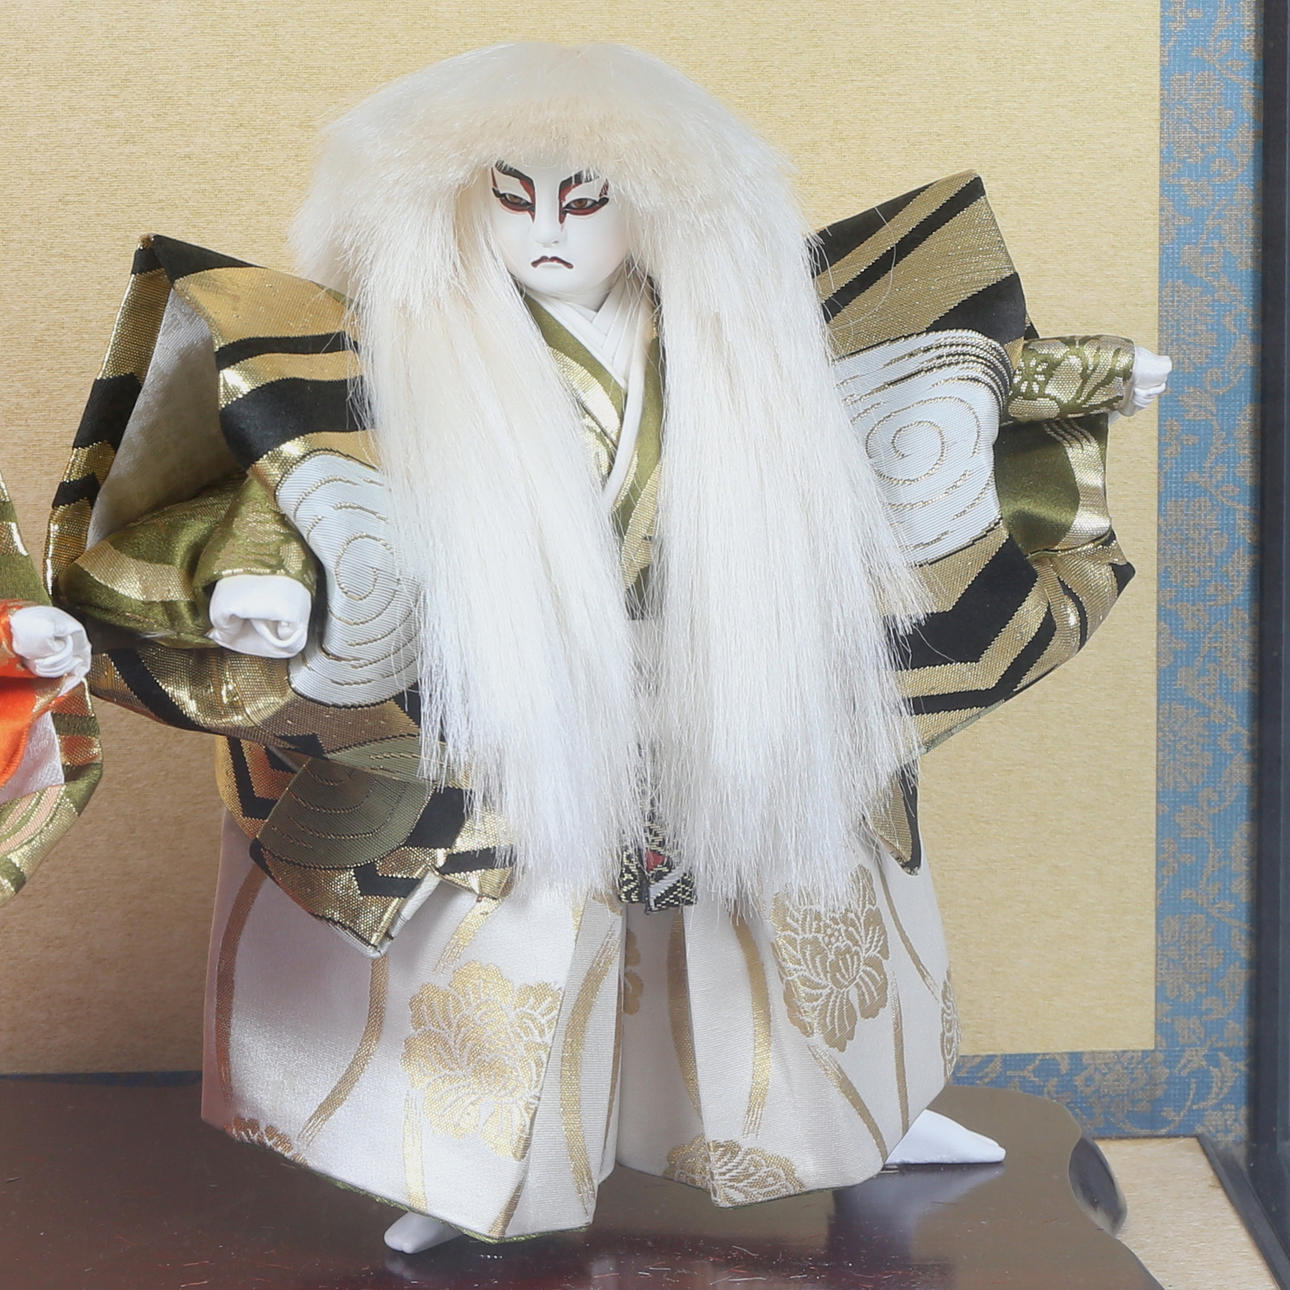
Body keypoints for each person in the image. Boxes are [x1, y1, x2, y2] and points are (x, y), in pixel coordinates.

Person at [11, 42, 1167, 1252]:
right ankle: (468, 1173)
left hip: (725, 673)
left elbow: (919, 385)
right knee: (509, 936)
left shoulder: (738, 340)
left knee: (799, 909)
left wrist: (1085, 375)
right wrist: (267, 587)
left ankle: (869, 1120)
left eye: (586, 199)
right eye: (513, 200)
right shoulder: (392, 356)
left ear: (659, 204)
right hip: (513, 702)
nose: (550, 231)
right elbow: (306, 479)